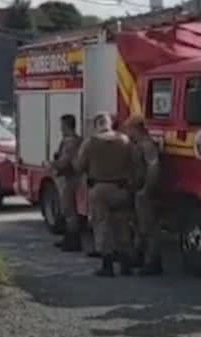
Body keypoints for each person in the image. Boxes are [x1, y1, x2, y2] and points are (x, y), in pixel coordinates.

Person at [76, 112, 139, 277]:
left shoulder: (90, 143)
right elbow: (136, 163)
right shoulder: (125, 141)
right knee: (123, 225)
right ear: (110, 123)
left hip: (99, 189)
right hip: (121, 189)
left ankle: (107, 266)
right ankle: (126, 265)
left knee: (102, 226)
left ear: (96, 125)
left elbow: (79, 167)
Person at [125, 114, 163, 276]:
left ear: (136, 128)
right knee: (140, 226)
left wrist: (146, 189)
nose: (127, 132)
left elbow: (153, 167)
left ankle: (153, 261)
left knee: (149, 227)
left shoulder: (147, 145)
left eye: (129, 129)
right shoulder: (138, 144)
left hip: (145, 191)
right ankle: (139, 256)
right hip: (137, 189)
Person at [50, 114, 82, 252]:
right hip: (75, 178)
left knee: (69, 210)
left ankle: (72, 241)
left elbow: (64, 162)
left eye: (62, 126)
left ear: (66, 126)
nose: (60, 129)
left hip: (70, 178)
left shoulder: (70, 142)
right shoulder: (78, 140)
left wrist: (52, 164)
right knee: (70, 209)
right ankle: (69, 239)